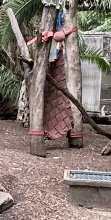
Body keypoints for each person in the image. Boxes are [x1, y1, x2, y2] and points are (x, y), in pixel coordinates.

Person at [29, 7, 78, 142]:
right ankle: (40, 134)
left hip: (56, 63)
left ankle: (73, 134)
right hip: (45, 66)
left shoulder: (58, 39)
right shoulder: (45, 38)